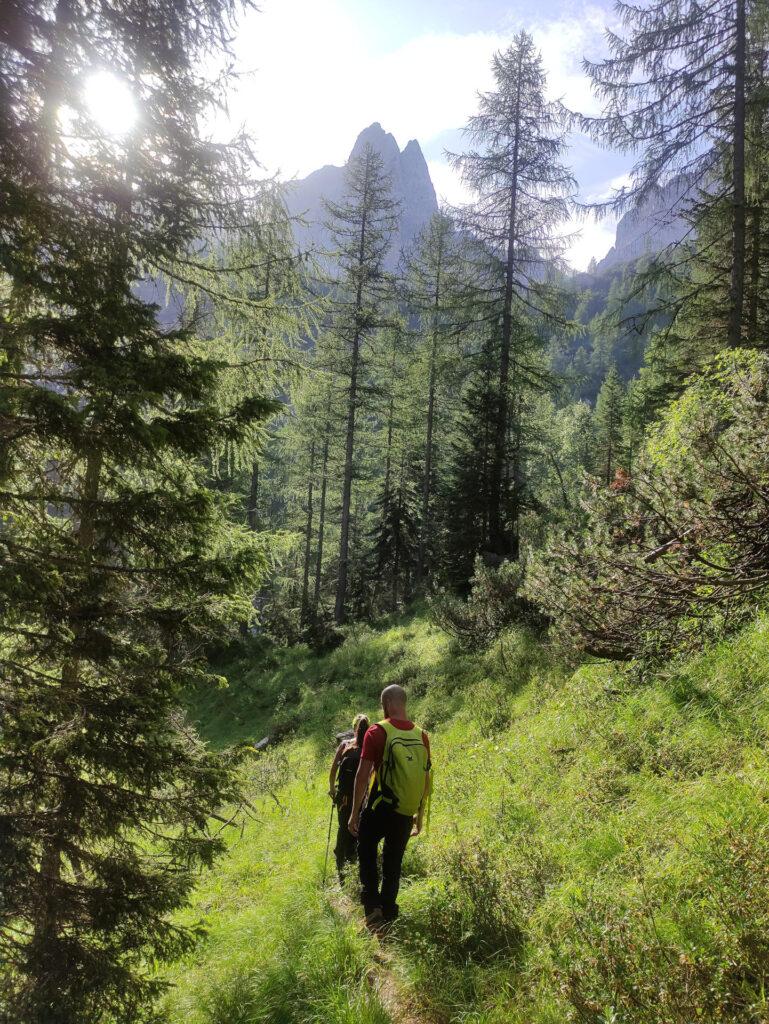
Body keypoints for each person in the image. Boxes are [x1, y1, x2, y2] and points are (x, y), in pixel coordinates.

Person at [348, 684, 431, 928]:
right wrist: (420, 814)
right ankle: (389, 912)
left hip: (380, 807)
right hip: (406, 810)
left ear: (385, 705)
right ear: (404, 704)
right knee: (393, 863)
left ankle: (372, 909)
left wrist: (354, 813)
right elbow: (425, 778)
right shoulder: (421, 735)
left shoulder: (377, 732)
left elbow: (362, 777)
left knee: (366, 850)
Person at [328, 713, 369, 879]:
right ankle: (354, 857)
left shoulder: (344, 745)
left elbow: (333, 771)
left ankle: (340, 857)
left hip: (343, 797)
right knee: (359, 825)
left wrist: (332, 789)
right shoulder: (369, 747)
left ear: (354, 728)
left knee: (343, 826)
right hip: (362, 796)